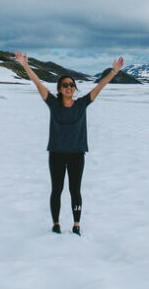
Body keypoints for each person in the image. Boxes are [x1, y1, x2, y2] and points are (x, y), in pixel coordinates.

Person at [14, 51, 124, 235]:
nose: (69, 87)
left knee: (75, 190)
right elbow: (38, 84)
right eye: (65, 85)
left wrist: (113, 72)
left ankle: (76, 225)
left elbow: (99, 88)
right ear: (59, 89)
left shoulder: (81, 105)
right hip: (56, 153)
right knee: (56, 189)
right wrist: (25, 65)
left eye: (71, 85)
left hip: (77, 154)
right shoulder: (53, 104)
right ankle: (56, 224)